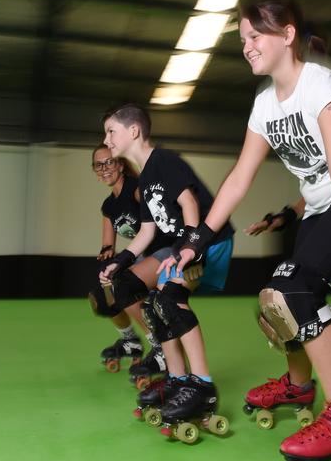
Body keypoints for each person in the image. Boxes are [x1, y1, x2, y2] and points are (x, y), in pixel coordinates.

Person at [166, 0, 331, 461]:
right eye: (244, 41)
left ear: (288, 35)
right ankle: (299, 385)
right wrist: (198, 237)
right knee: (278, 301)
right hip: (321, 205)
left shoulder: (320, 85)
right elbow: (238, 178)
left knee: (293, 290)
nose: (248, 47)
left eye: (256, 37)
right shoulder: (263, 104)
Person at [100, 103, 235, 435]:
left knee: (171, 298)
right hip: (182, 248)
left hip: (208, 243)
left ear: (134, 131)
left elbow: (190, 204)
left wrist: (191, 250)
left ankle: (202, 386)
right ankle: (177, 381)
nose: (106, 139)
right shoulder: (144, 178)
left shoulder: (165, 161)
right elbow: (147, 231)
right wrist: (121, 260)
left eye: (110, 131)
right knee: (152, 304)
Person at [88, 145, 156, 373]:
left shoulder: (136, 189)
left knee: (123, 286)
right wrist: (105, 261)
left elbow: (160, 222)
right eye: (99, 164)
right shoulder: (108, 206)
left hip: (160, 254)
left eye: (109, 162)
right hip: (139, 257)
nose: (104, 168)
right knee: (100, 293)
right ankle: (131, 341)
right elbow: (108, 246)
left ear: (120, 164)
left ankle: (160, 347)